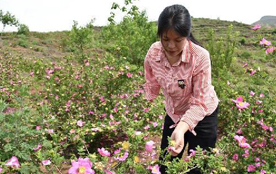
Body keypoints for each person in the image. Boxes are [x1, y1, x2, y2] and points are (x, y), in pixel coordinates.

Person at [143, 4, 219, 174]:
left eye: (177, 40)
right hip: (174, 112)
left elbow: (200, 102)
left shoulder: (200, 57)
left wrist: (181, 128)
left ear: (187, 35)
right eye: (165, 39)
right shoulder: (154, 52)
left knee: (199, 167)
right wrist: (150, 97)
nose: (170, 46)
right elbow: (151, 78)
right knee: (166, 164)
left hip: (203, 114)